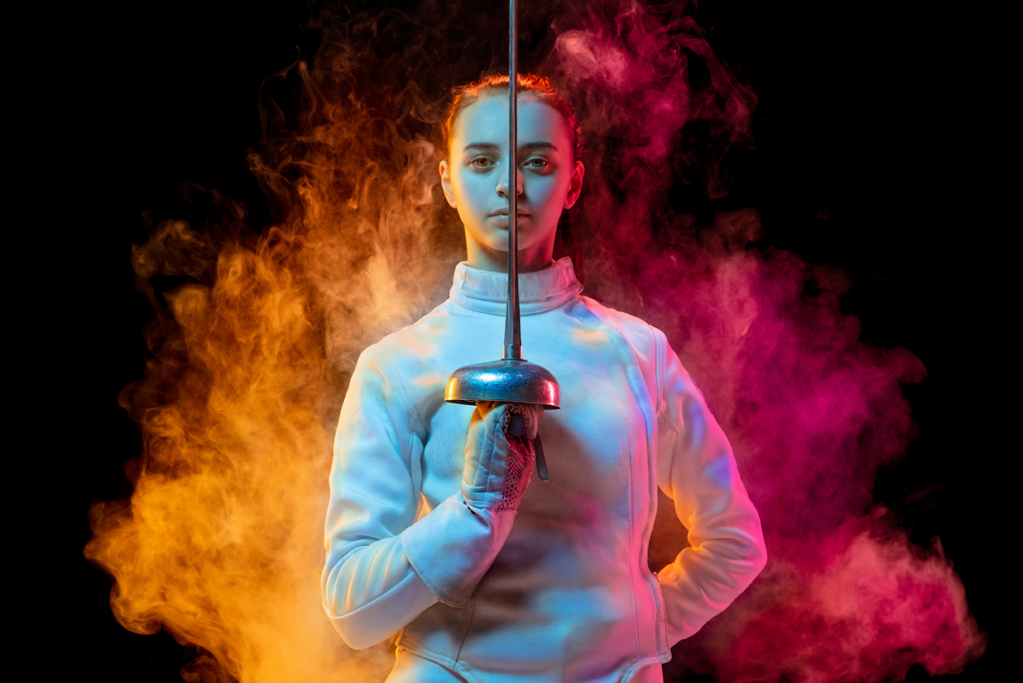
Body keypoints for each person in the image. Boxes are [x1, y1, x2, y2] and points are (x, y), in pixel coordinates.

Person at [321, 74, 767, 683]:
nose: (511, 184)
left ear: (574, 182)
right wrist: (476, 512)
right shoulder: (396, 364)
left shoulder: (641, 353)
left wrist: (641, 629)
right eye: (482, 161)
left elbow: (735, 540)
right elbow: (352, 610)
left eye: (538, 161)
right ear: (448, 182)